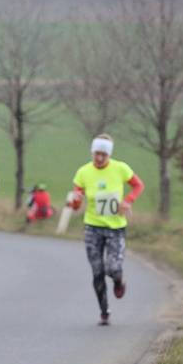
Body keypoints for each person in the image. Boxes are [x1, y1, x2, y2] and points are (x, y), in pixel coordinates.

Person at [68, 134, 144, 325]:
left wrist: (127, 201)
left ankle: (119, 281)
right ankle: (104, 311)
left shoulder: (120, 168)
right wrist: (75, 201)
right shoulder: (83, 172)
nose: (100, 158)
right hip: (92, 227)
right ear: (92, 152)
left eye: (104, 154)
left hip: (116, 227)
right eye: (97, 154)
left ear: (108, 154)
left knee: (113, 268)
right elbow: (75, 203)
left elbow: (138, 185)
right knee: (97, 271)